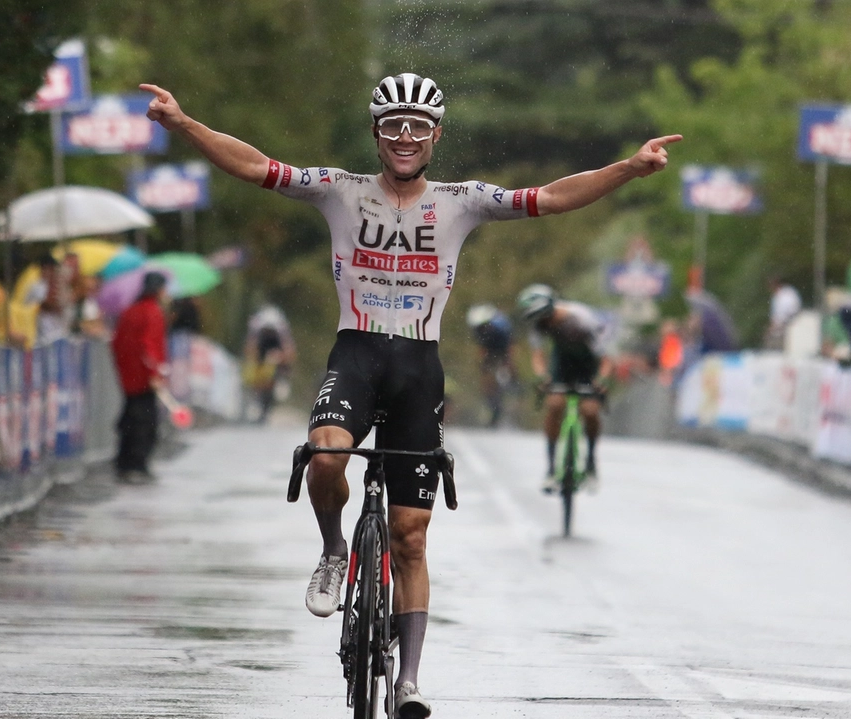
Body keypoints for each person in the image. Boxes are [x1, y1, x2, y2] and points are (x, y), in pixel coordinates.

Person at [142, 73, 679, 716]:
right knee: (324, 455)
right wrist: (183, 124)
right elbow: (256, 166)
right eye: (392, 125)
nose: (404, 136)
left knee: (411, 535)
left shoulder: (463, 200)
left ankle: (409, 682)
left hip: (419, 368)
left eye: (418, 127)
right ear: (376, 133)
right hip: (357, 354)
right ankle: (334, 550)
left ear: (435, 136)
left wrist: (629, 167)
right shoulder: (340, 191)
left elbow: (553, 198)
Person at [517, 284, 615, 492]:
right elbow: (538, 355)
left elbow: (606, 358)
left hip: (589, 364)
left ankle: (590, 461)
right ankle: (552, 469)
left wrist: (602, 380)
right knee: (554, 405)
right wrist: (543, 376)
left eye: (546, 318)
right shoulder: (540, 324)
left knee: (590, 411)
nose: (544, 324)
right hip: (562, 363)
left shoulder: (582, 319)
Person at [111, 272, 170, 484]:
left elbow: (117, 342)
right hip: (144, 379)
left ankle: (124, 461)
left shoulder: (129, 311)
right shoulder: (152, 312)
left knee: (129, 419)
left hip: (128, 376)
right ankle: (137, 463)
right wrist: (155, 373)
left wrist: (125, 368)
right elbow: (149, 345)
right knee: (146, 423)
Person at [243, 305, 297, 423]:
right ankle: (253, 397)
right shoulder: (256, 327)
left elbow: (289, 352)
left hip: (275, 351)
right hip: (261, 350)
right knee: (254, 373)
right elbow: (249, 348)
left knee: (279, 369)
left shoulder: (281, 329)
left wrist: (282, 361)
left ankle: (281, 383)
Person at [466, 303, 516, 427]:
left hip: (503, 347)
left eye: (484, 327)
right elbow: (482, 349)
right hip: (490, 349)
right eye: (479, 328)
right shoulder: (478, 330)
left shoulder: (502, 327)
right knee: (486, 376)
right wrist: (484, 366)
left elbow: (510, 347)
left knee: (509, 371)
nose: (481, 330)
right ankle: (491, 402)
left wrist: (508, 364)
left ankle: (512, 397)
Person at [764, 275, 802, 350]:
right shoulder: (789, 292)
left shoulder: (782, 297)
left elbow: (781, 317)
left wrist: (771, 329)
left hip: (785, 330)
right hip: (788, 327)